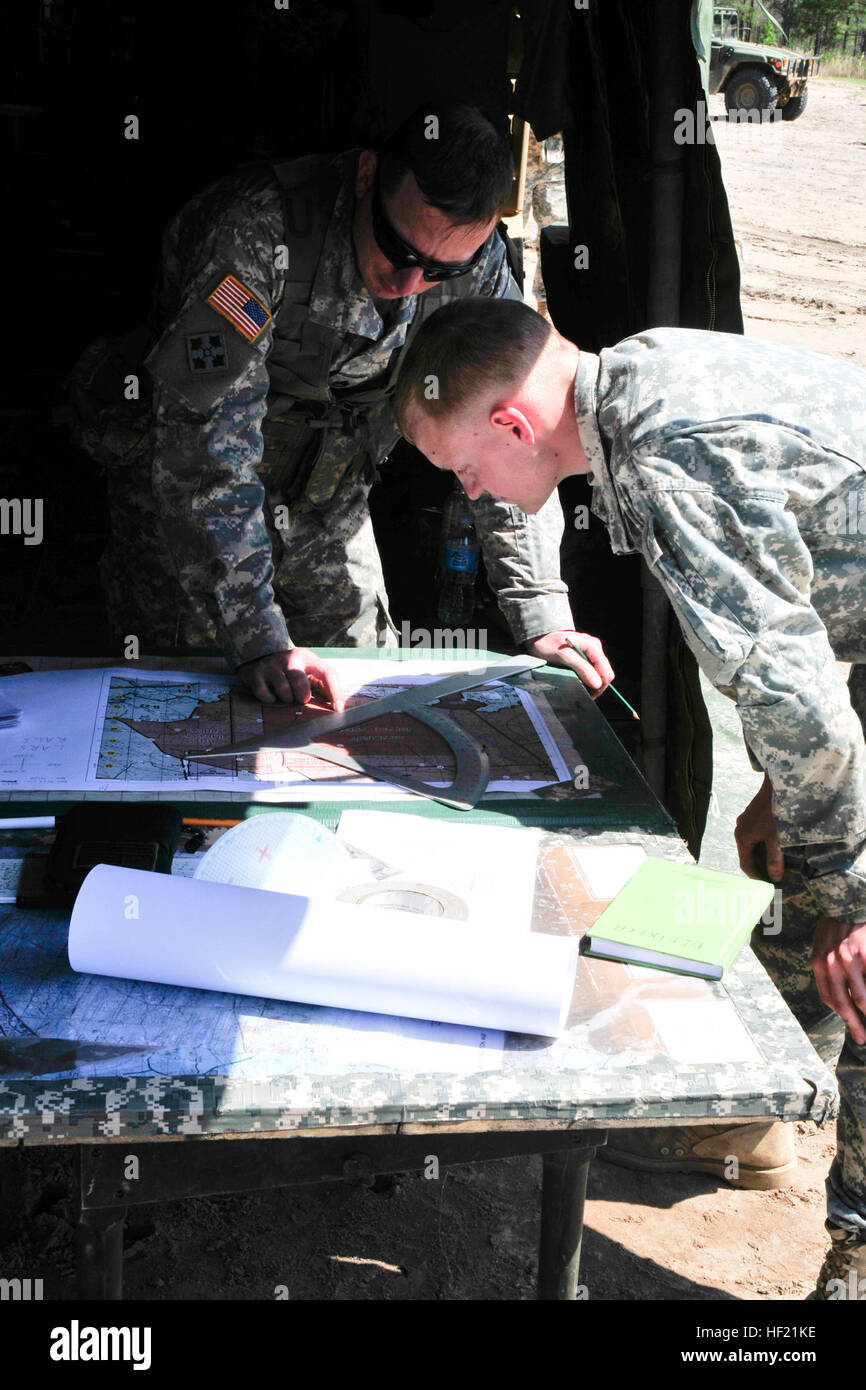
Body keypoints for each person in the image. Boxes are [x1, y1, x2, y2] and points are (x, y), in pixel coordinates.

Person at [393, 296, 866, 1299]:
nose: (474, 490)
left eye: (466, 469)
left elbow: (789, 691)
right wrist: (790, 799)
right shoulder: (634, 378)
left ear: (515, 427)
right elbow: (788, 628)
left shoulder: (659, 458)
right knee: (787, 870)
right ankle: (739, 1113)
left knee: (858, 952)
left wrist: (847, 895)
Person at [70, 104, 613, 711]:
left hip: (327, 498)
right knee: (187, 701)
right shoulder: (255, 232)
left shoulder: (477, 270)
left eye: (441, 269)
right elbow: (203, 446)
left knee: (365, 690)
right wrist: (256, 637)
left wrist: (540, 609)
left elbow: (515, 434)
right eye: (399, 249)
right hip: (188, 503)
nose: (411, 283)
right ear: (366, 177)